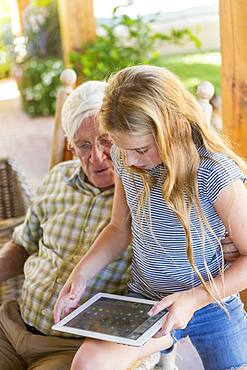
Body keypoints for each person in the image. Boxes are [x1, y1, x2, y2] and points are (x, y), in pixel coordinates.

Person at [54, 65, 247, 370]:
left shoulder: (215, 173)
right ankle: (165, 350)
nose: (128, 161)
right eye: (122, 149)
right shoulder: (125, 158)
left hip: (211, 302)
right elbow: (119, 228)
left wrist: (193, 300)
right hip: (147, 302)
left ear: (177, 128)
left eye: (140, 149)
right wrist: (80, 275)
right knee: (88, 364)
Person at [0, 81, 135, 370]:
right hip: (12, 326)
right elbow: (23, 244)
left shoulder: (141, 199)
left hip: (72, 349)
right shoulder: (57, 178)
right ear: (70, 147)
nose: (97, 157)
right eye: (84, 145)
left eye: (105, 141)